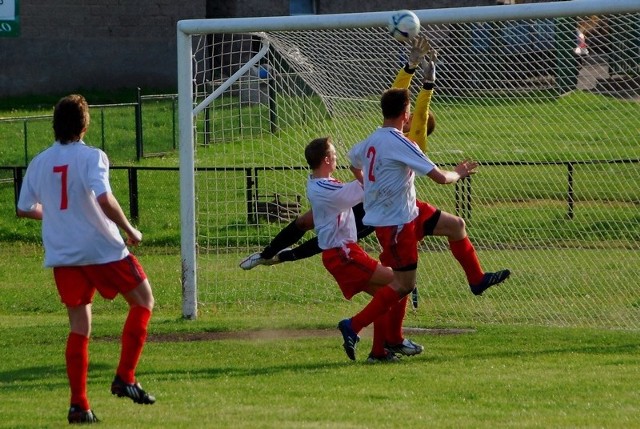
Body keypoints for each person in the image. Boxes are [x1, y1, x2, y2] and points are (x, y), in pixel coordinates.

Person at [16, 94, 156, 424]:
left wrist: (57, 215)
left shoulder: (39, 161)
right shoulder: (92, 156)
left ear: (55, 124)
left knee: (80, 326)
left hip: (63, 254)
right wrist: (129, 229)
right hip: (101, 249)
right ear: (85, 124)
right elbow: (104, 198)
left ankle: (79, 404)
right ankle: (125, 377)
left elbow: (24, 208)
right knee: (143, 301)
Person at [239, 36, 435, 272]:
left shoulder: (414, 143)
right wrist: (410, 67)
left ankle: (282, 257)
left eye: (411, 117)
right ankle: (265, 254)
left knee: (330, 240)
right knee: (306, 221)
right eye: (407, 112)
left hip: (374, 207)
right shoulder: (389, 133)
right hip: (361, 189)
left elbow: (421, 115)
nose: (408, 114)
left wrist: (428, 84)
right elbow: (397, 97)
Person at [346, 87, 511, 341]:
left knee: (456, 225)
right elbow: (441, 178)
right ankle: (354, 326)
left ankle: (477, 280)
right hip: (395, 222)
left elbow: (354, 163)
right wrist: (459, 173)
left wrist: (371, 187)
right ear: (406, 113)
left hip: (409, 210)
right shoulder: (399, 142)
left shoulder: (371, 140)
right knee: (403, 285)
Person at [305, 136, 422, 363]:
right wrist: (383, 168)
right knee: (397, 285)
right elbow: (364, 189)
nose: (337, 156)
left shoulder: (322, 184)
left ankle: (378, 353)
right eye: (334, 153)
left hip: (344, 253)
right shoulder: (325, 188)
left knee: (385, 297)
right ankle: (362, 330)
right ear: (327, 159)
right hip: (342, 254)